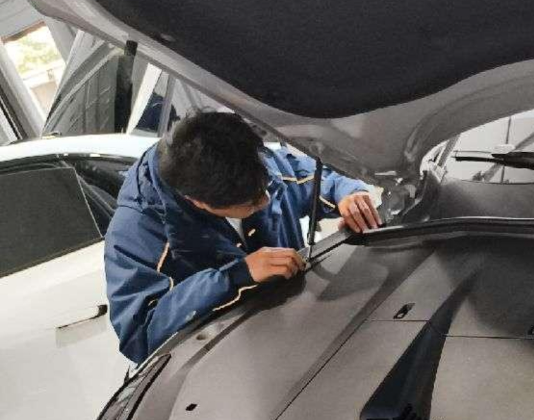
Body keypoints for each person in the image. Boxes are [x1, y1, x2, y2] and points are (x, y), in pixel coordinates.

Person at [104, 111, 381, 363]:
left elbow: (311, 177)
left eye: (266, 186)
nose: (266, 200)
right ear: (198, 202)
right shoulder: (137, 233)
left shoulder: (238, 156)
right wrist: (234, 277)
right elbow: (141, 336)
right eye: (251, 202)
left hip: (302, 334)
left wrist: (347, 194)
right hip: (230, 365)